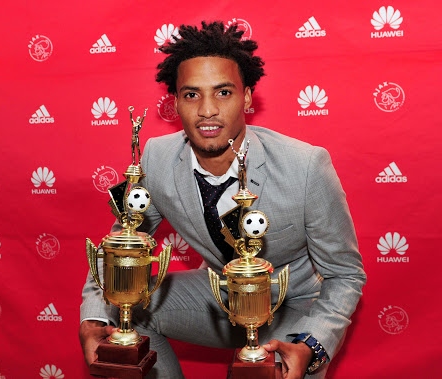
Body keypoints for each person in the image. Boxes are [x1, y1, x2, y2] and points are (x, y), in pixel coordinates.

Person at [80, 21, 366, 379]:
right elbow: (120, 245)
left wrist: (312, 345)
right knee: (128, 310)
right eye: (191, 94)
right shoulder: (155, 157)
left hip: (294, 304)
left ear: (246, 97)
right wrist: (93, 318)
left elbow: (345, 275)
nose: (207, 110)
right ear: (175, 102)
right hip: (220, 297)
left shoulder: (305, 166)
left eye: (223, 92)